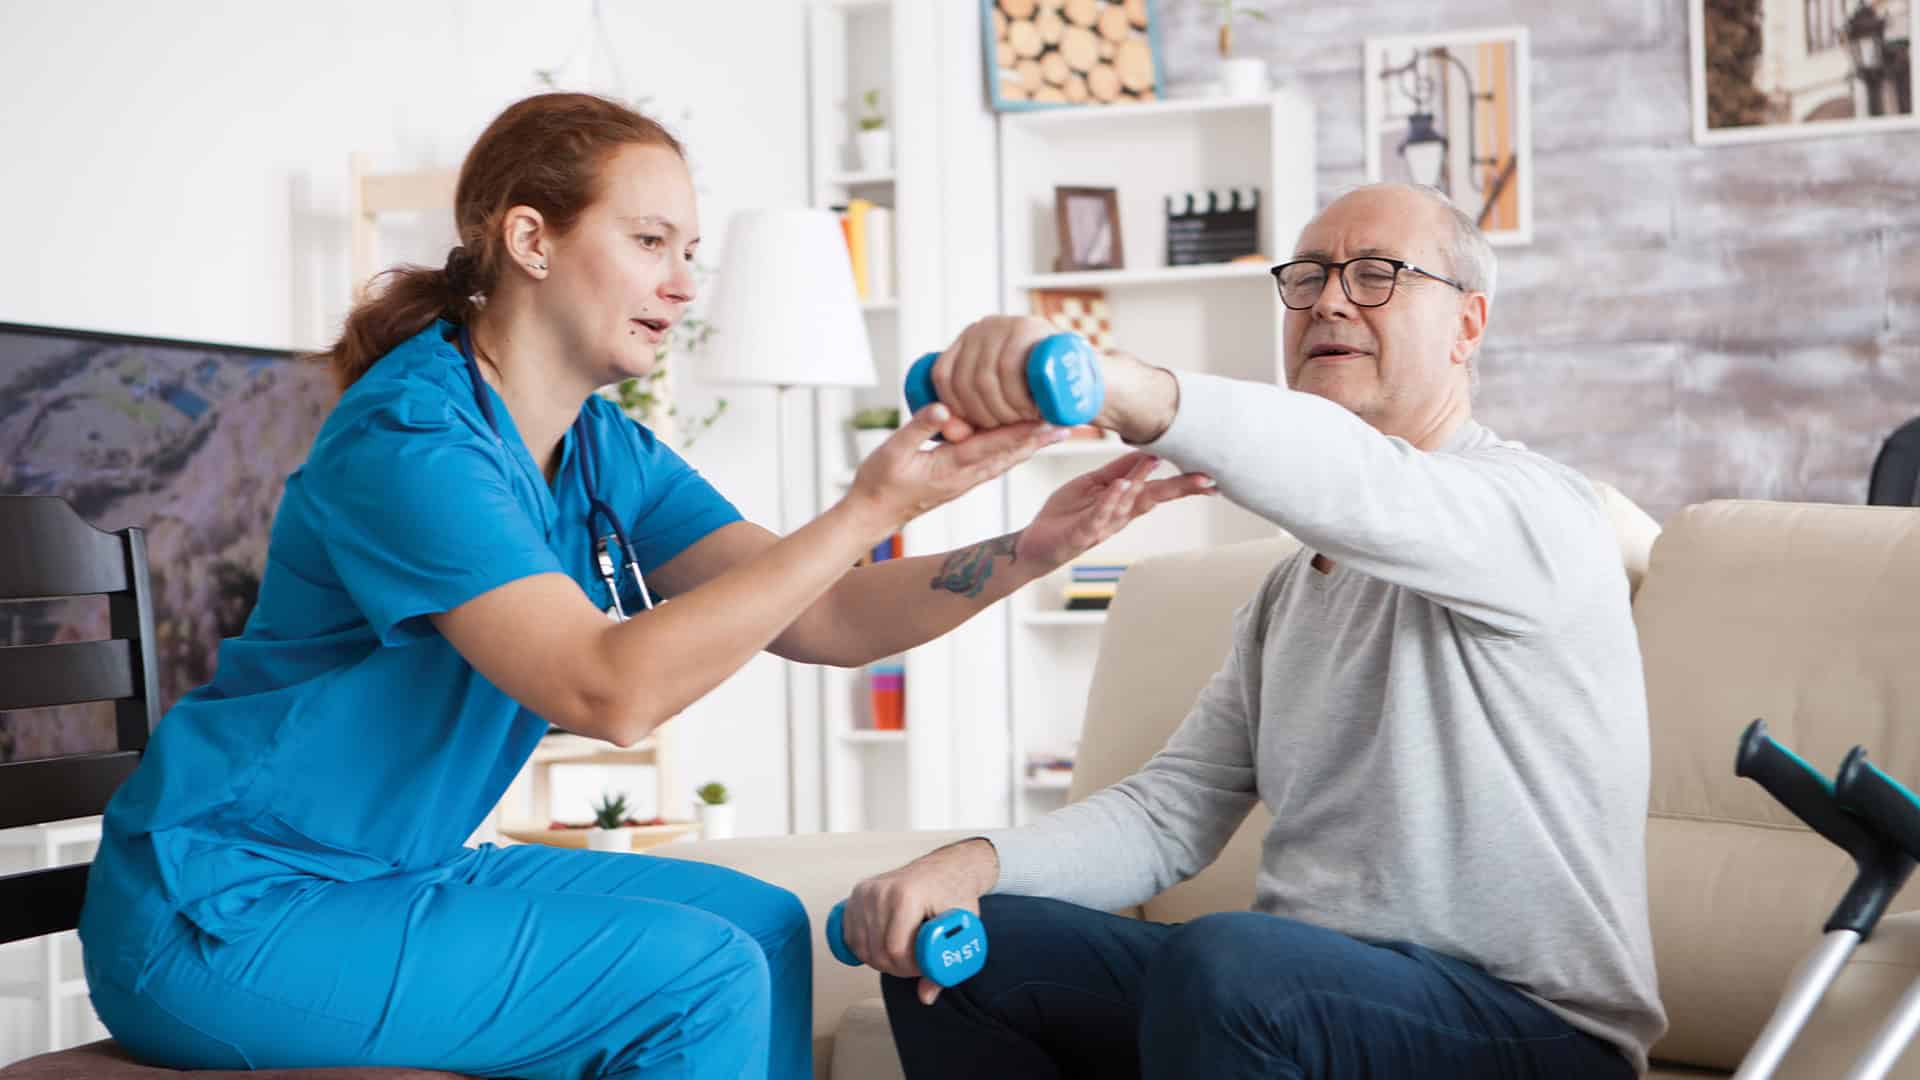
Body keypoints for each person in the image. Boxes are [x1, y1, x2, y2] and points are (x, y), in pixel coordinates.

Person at [76, 92, 1214, 1080]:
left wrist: (1033, 546)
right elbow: (607, 692)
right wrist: (872, 506)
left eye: (691, 253)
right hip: (223, 916)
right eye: (652, 241)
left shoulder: (600, 446)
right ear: (529, 237)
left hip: (385, 877)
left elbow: (821, 615)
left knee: (763, 930)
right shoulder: (412, 442)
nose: (682, 286)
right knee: (696, 980)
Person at [840, 183, 1667, 1079]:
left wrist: (1113, 384)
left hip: (1532, 1028)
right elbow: (1170, 814)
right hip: (1308, 999)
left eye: (1378, 274)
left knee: (1232, 964)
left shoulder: (1540, 515)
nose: (1330, 300)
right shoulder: (1290, 591)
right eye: (1307, 277)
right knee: (967, 954)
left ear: (1468, 326)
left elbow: (1365, 486)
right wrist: (970, 867)